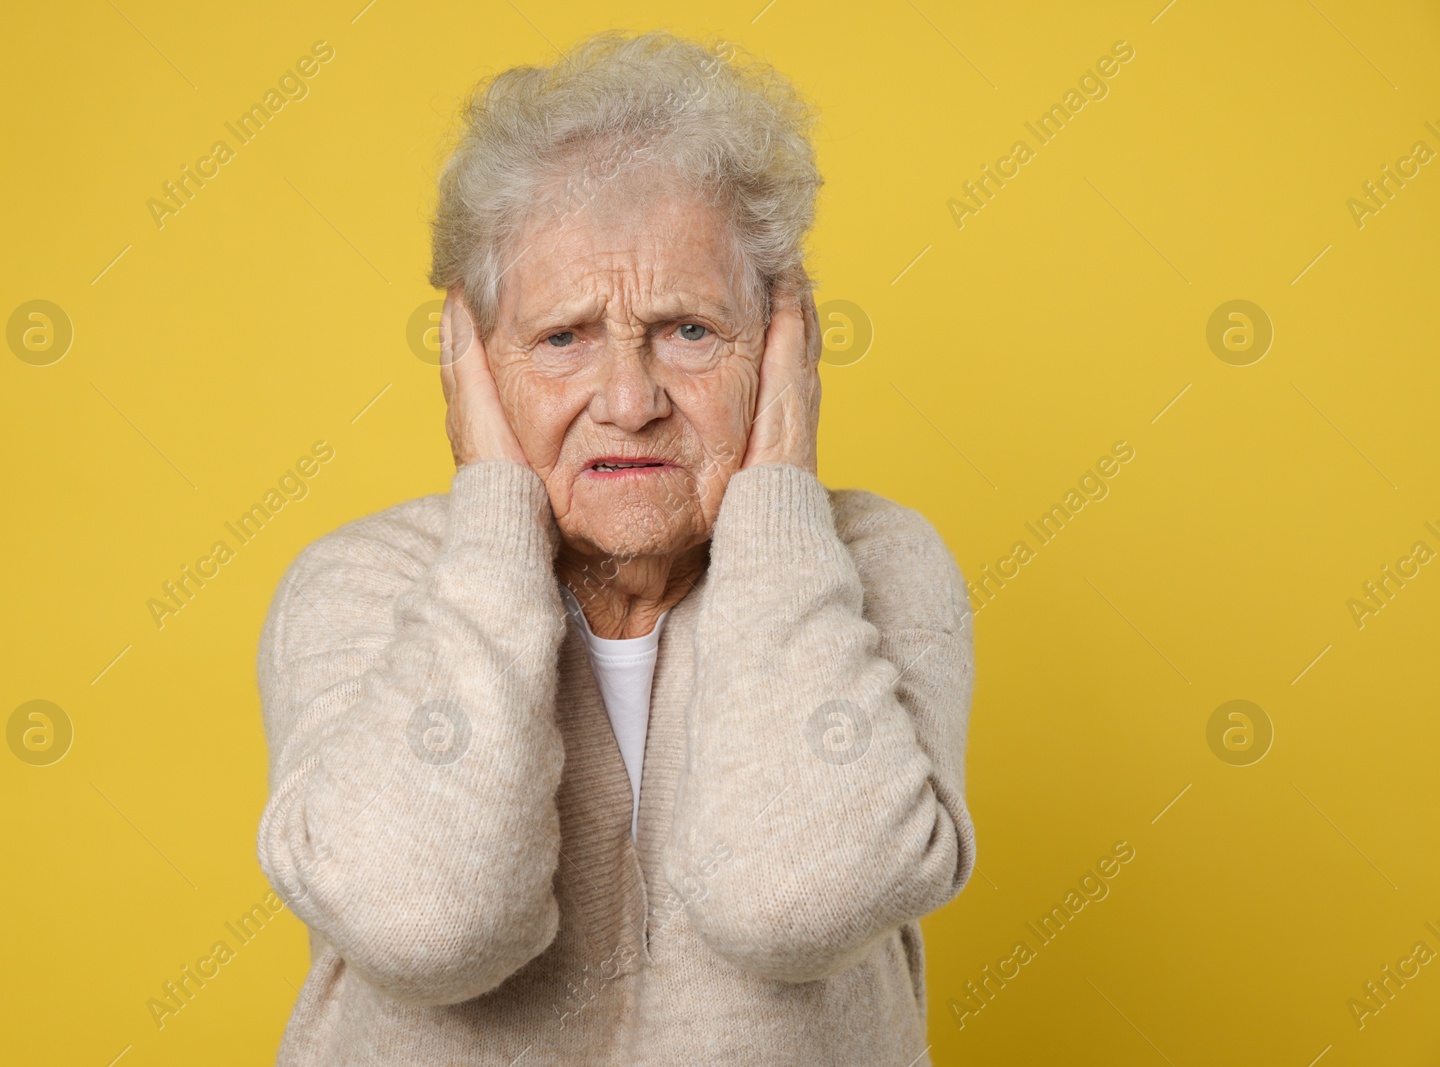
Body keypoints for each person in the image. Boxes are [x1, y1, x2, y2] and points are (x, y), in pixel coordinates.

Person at [255, 30, 975, 1065]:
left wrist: (774, 488)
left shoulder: (882, 563)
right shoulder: (357, 585)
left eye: (688, 330)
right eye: (562, 337)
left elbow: (798, 901)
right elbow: (430, 928)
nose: (630, 402)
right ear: (472, 361)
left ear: (780, 342)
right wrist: (497, 513)